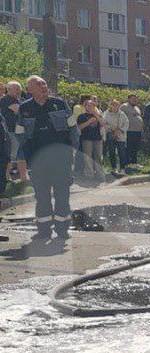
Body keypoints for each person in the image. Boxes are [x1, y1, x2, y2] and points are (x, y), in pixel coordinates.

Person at [18, 76, 74, 243]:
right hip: (37, 161)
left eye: (44, 83)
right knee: (42, 197)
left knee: (62, 195)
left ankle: (62, 229)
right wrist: (26, 160)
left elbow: (73, 129)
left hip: (60, 160)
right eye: (38, 84)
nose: (43, 86)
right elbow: (20, 136)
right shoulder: (24, 108)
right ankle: (43, 230)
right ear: (30, 90)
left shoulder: (60, 104)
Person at [1, 81, 29, 182]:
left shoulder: (19, 100)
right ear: (9, 89)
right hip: (10, 131)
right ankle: (7, 177)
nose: (19, 91)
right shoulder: (5, 100)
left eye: (20, 88)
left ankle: (21, 177)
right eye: (16, 89)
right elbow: (20, 111)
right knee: (12, 154)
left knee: (20, 154)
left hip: (19, 131)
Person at [77, 99, 105, 181]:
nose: (90, 107)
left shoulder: (98, 115)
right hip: (86, 139)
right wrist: (89, 122)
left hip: (98, 139)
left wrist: (96, 115)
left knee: (98, 157)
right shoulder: (81, 116)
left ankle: (99, 174)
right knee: (87, 157)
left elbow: (103, 124)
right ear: (85, 106)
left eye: (92, 105)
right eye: (88, 105)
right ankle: (89, 175)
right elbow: (79, 127)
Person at [103, 99, 129, 175]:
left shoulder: (122, 114)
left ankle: (122, 168)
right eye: (113, 105)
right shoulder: (106, 113)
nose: (115, 106)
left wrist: (120, 130)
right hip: (110, 134)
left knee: (121, 152)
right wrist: (112, 129)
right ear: (110, 105)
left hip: (121, 135)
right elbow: (104, 123)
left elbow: (126, 123)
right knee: (112, 152)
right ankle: (114, 168)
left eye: (117, 105)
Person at [122, 94, 143, 168]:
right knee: (129, 148)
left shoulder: (137, 107)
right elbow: (120, 117)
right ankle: (127, 163)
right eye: (133, 99)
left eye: (135, 99)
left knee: (135, 148)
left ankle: (134, 163)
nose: (134, 100)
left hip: (137, 131)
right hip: (129, 131)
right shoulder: (124, 106)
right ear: (128, 99)